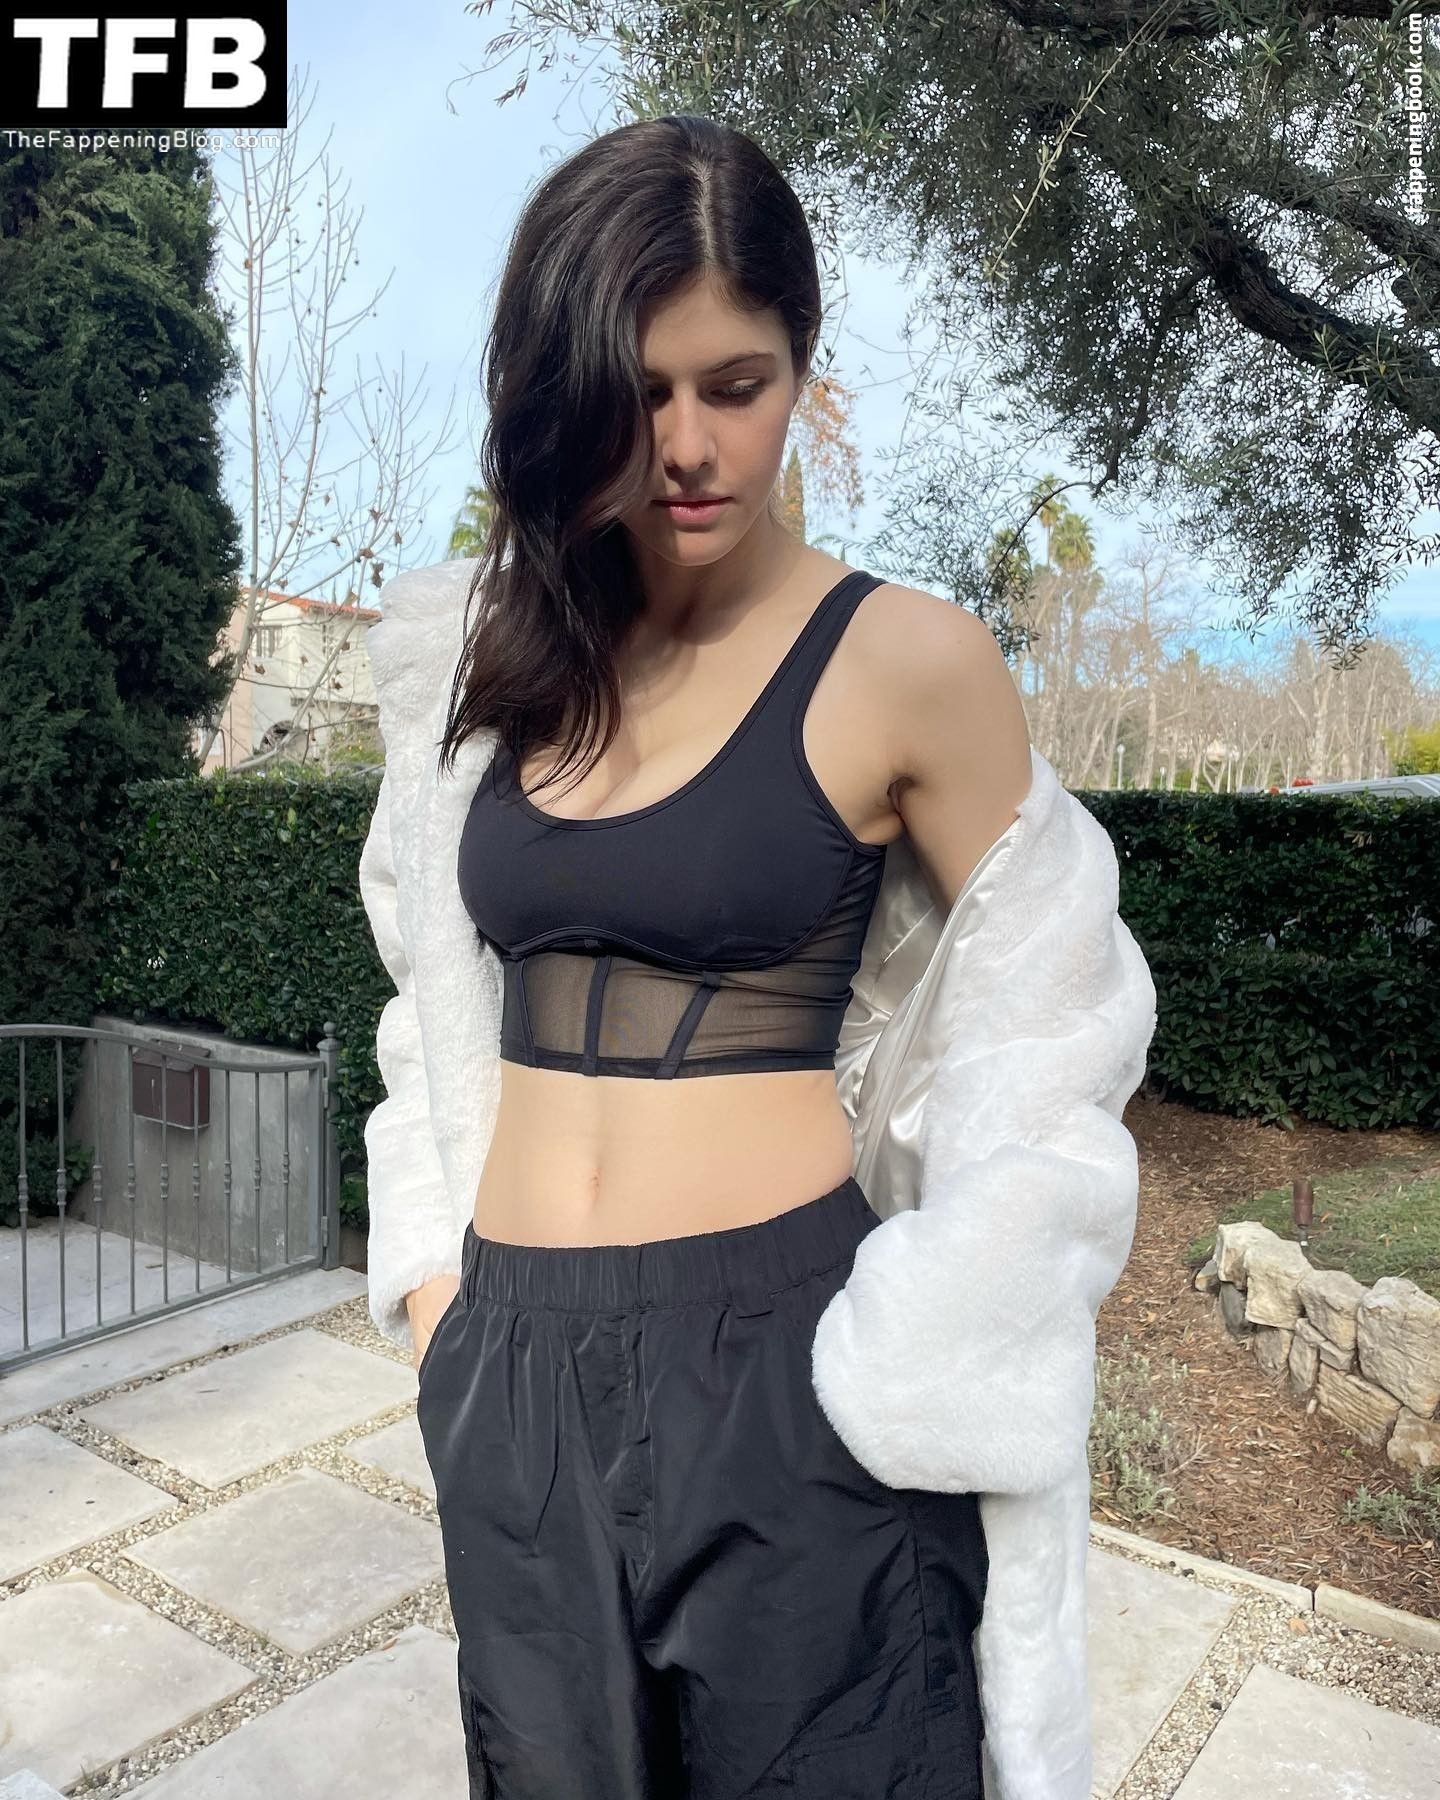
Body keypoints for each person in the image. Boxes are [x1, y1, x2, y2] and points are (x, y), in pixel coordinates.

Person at [358, 114, 1157, 1800]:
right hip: (509, 1365)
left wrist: (924, 1343)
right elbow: (430, 996)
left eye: (737, 384)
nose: (688, 446)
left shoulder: (908, 663)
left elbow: (1051, 1037)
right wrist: (438, 1294)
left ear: (804, 364)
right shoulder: (496, 662)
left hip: (785, 1371)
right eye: (637, 392)